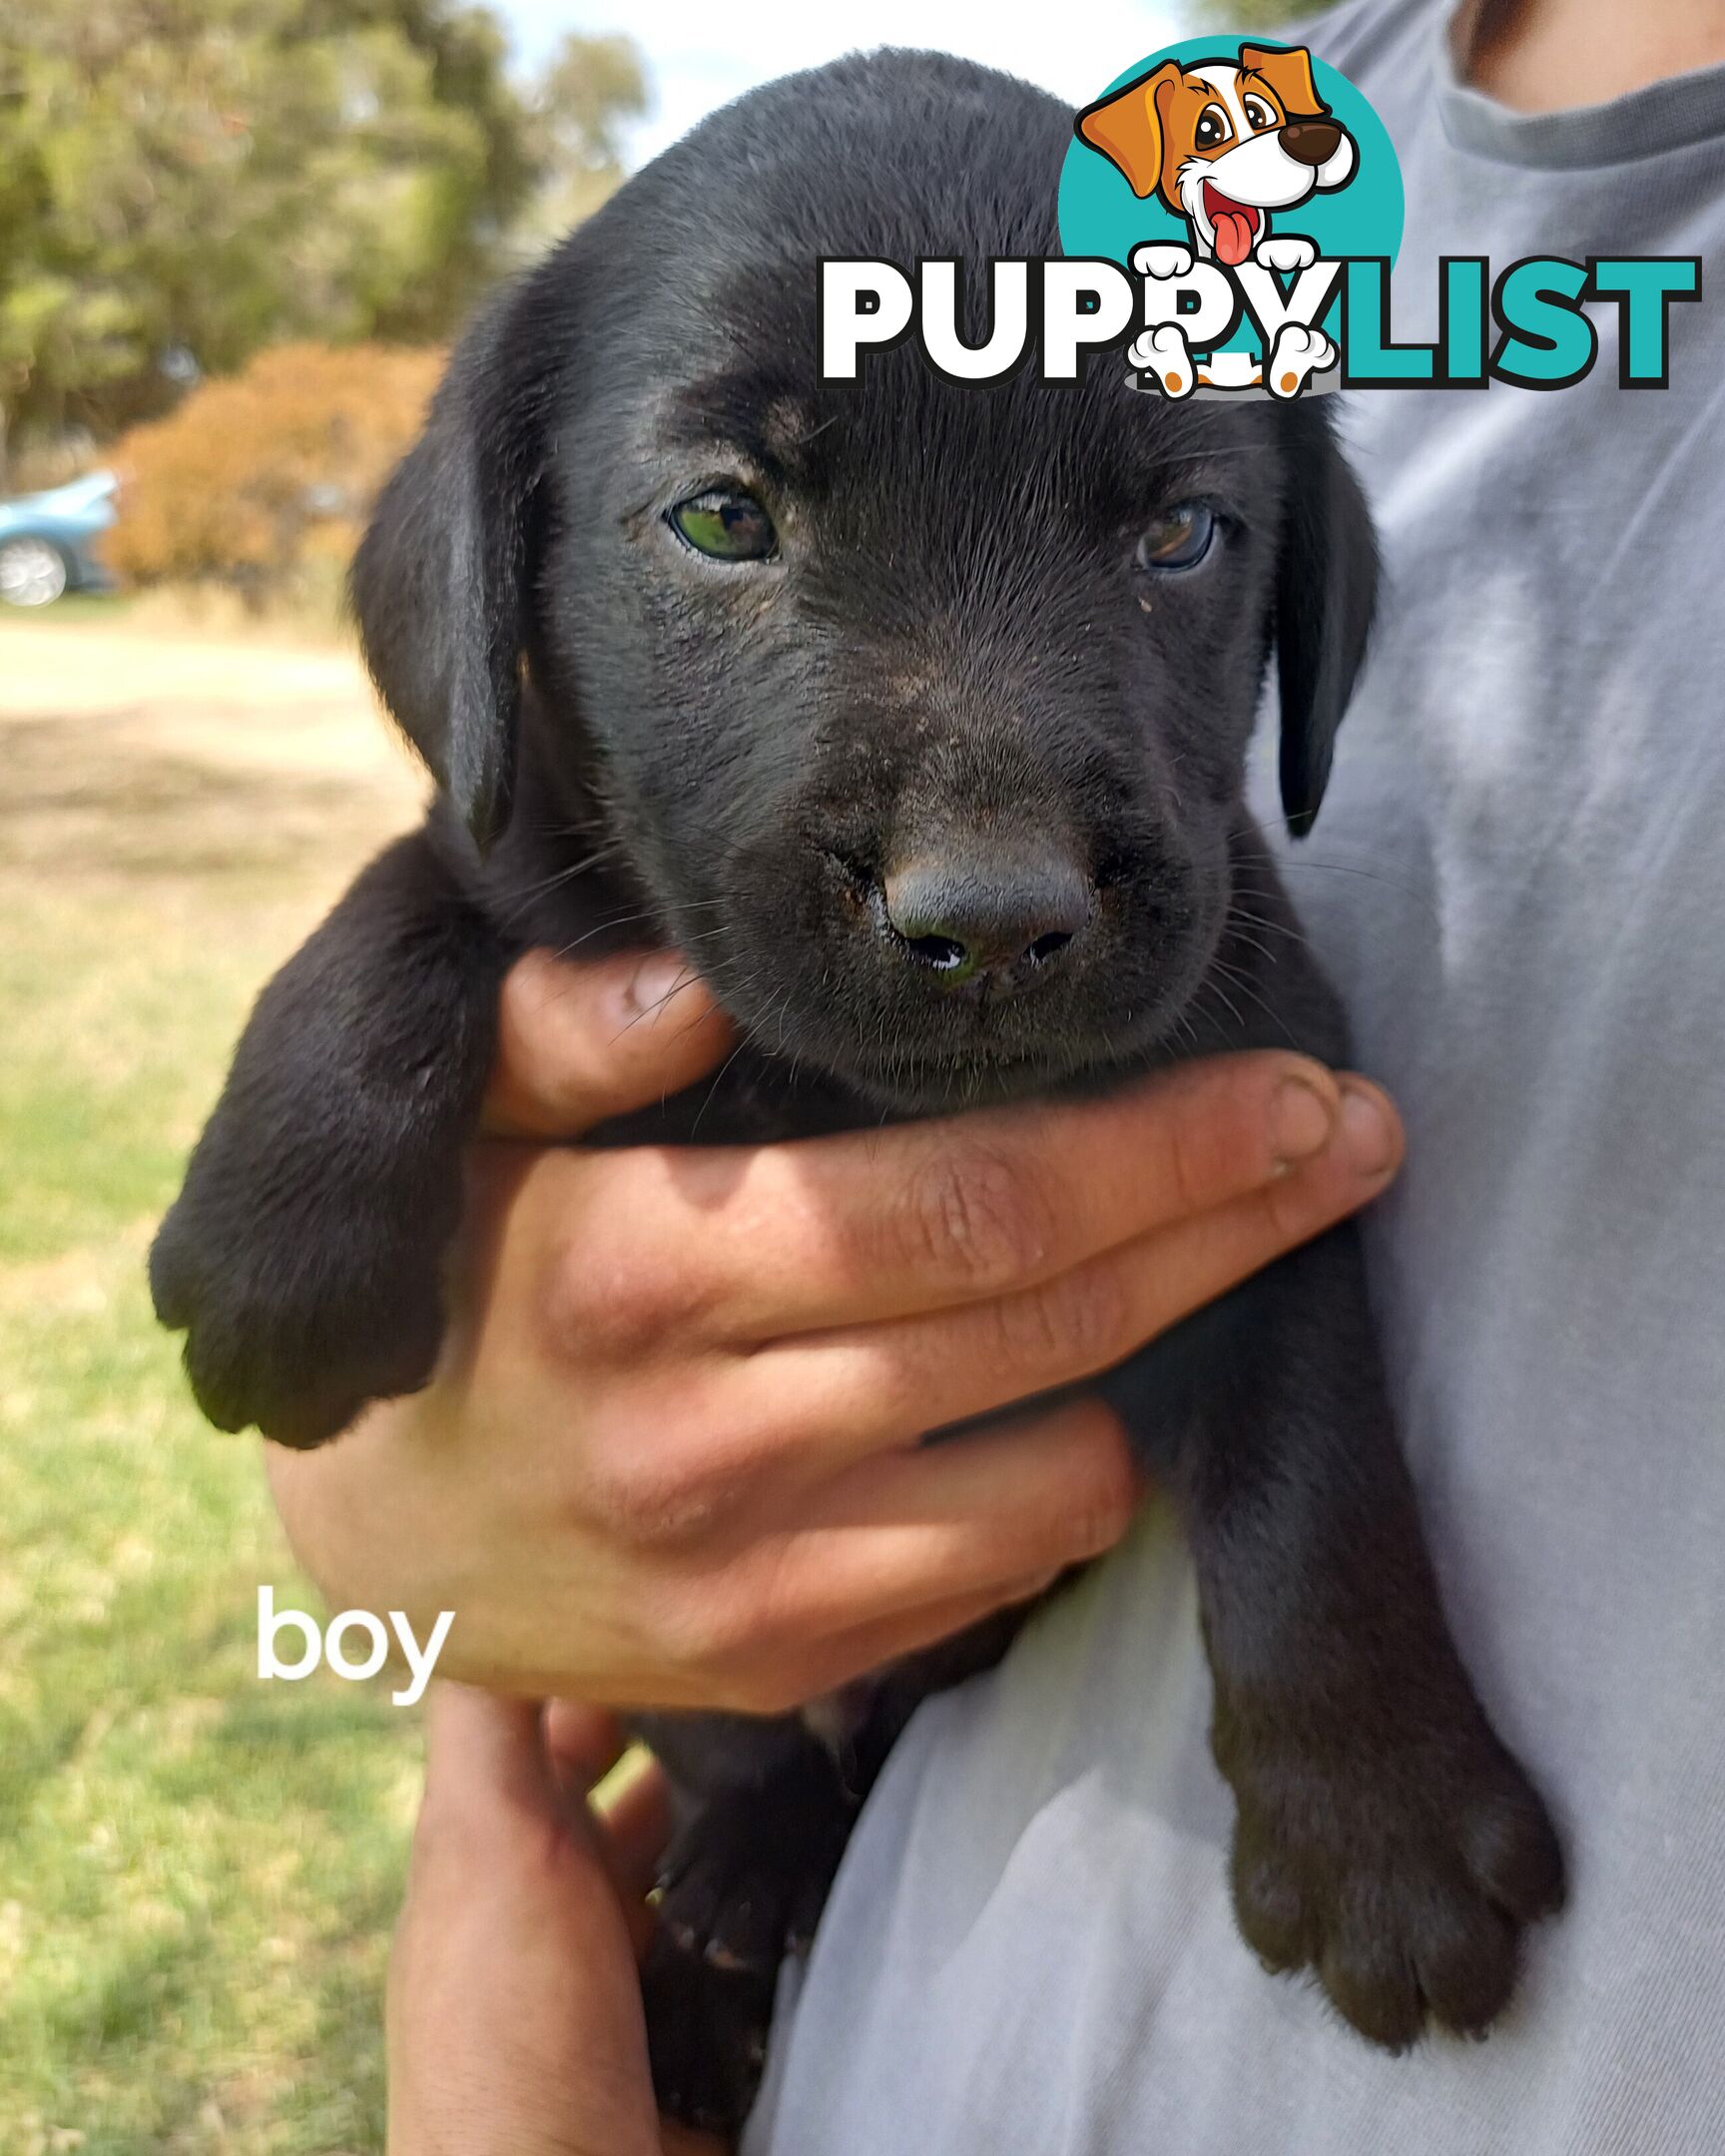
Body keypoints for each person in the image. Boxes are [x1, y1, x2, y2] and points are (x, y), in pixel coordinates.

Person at [288, 0, 1725, 2146]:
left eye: (1168, 542)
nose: (992, 849)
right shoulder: (1252, 153)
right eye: (729, 515)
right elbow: (395, 1544)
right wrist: (383, 1543)